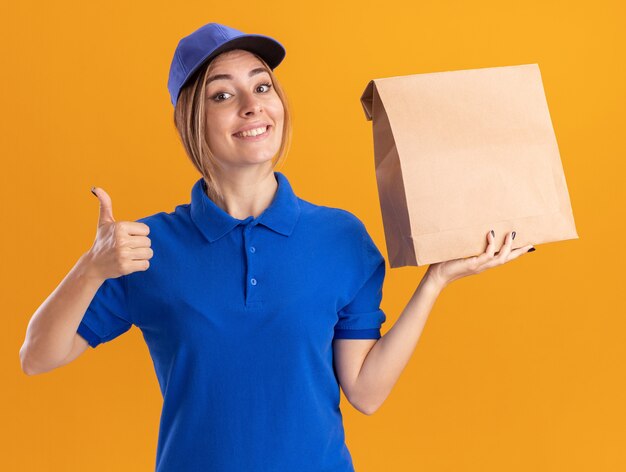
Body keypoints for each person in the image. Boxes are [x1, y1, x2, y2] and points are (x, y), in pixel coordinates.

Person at [19, 22, 536, 472]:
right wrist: (91, 268)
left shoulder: (342, 238)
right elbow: (36, 357)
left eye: (262, 87)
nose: (252, 106)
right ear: (190, 122)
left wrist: (436, 280)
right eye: (222, 95)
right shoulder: (145, 248)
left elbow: (366, 393)